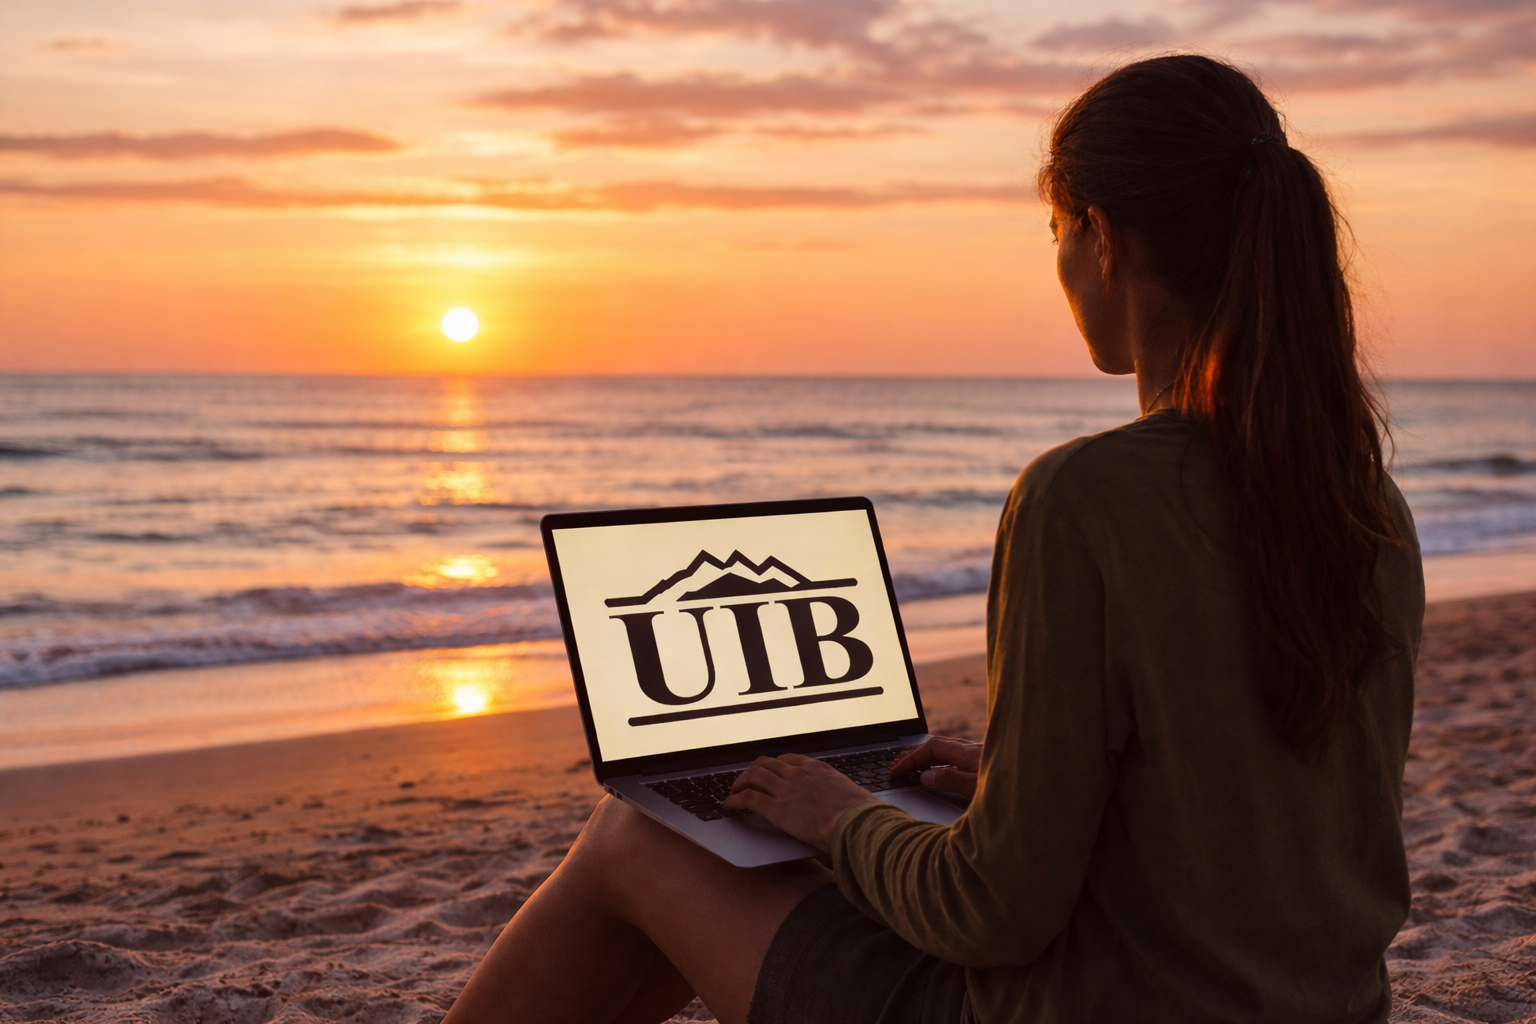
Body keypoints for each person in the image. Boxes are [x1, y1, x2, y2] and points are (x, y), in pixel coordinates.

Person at [441, 54, 1424, 1024]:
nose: (1061, 263)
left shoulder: (1080, 497)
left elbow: (993, 913)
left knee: (642, 837)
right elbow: (1246, 799)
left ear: (1104, 238)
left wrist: (838, 815)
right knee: (770, 845)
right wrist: (1011, 783)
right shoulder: (1363, 500)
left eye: (1055, 231)